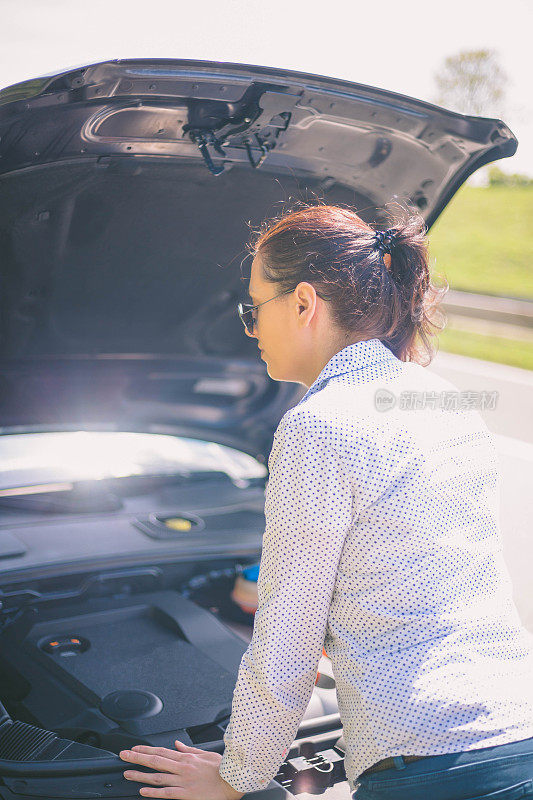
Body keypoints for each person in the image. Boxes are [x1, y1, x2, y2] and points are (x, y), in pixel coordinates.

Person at [119, 202, 533, 800]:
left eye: (253, 308)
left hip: (430, 763)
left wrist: (238, 777)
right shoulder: (441, 401)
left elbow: (288, 632)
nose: (251, 328)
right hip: (518, 731)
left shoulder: (320, 427)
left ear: (305, 303)